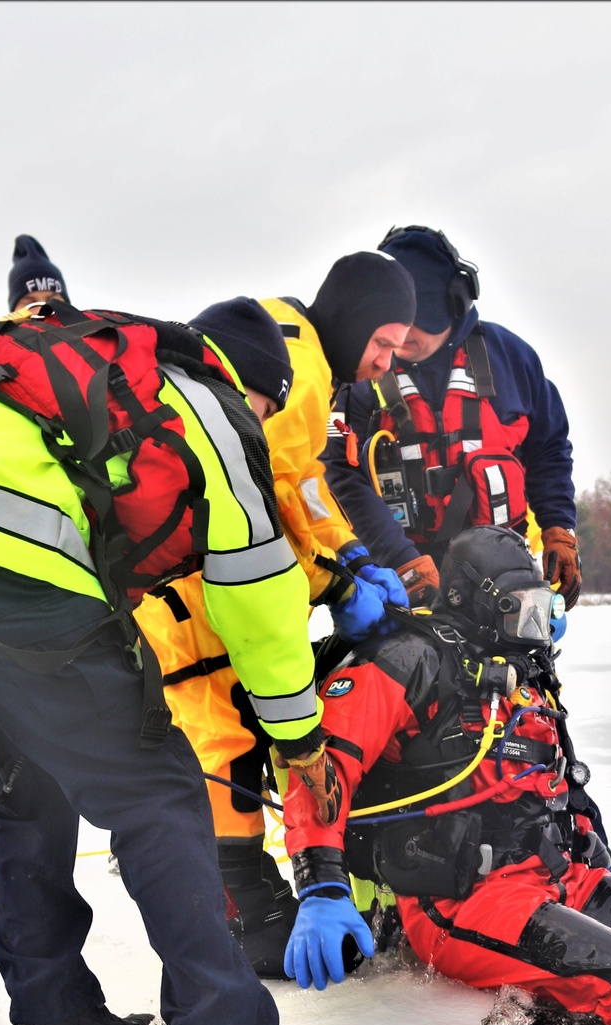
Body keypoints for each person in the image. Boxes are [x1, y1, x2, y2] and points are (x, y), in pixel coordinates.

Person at [0, 296, 364, 1025]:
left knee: (28, 785)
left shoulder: (83, 366)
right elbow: (259, 594)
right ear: (256, 387)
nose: (265, 423)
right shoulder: (211, 409)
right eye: (271, 407)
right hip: (8, 571)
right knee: (157, 790)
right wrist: (299, 739)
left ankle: (55, 1022)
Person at [279, 527, 611, 1025]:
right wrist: (320, 885)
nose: (534, 625)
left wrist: (603, 860)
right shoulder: (406, 662)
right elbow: (320, 775)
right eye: (520, 608)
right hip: (463, 899)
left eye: (541, 609)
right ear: (477, 602)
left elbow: (561, 777)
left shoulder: (523, 672)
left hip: (555, 877)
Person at [135, 253, 418, 975]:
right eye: (384, 342)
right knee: (222, 729)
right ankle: (239, 899)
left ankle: (244, 882)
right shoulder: (296, 356)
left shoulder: (308, 358)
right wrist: (332, 581)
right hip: (198, 587)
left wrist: (351, 554)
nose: (385, 362)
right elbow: (255, 492)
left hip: (212, 580)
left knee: (240, 722)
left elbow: (304, 482)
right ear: (354, 316)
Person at [324, 226, 582, 612]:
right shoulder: (361, 371)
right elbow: (340, 474)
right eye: (395, 320)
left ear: (454, 303)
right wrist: (401, 560)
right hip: (398, 582)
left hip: (506, 581)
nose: (403, 336)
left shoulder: (513, 358)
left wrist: (559, 528)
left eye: (418, 318)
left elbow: (550, 449)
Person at [8, 234, 70, 313]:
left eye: (54, 302)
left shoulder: (89, 323)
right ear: (14, 311)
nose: (42, 310)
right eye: (31, 303)